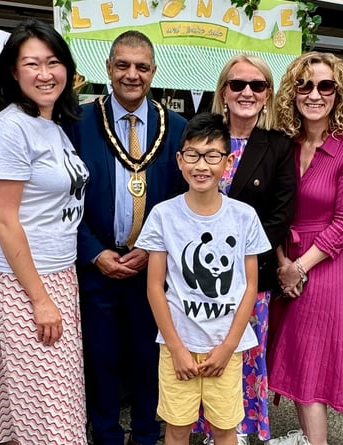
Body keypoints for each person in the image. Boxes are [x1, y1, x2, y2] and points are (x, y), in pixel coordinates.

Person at [64, 30, 187, 445]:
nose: (132, 75)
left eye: (141, 67)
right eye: (123, 65)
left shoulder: (176, 128)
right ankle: (105, 435)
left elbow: (181, 202)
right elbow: (62, 201)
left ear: (153, 72)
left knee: (149, 357)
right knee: (100, 359)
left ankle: (149, 435)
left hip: (151, 268)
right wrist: (94, 251)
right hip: (97, 264)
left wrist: (151, 249)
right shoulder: (79, 123)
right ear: (108, 69)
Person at [0, 18, 88, 445]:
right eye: (32, 64)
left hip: (58, 274)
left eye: (54, 62)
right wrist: (39, 300)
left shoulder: (52, 126)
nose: (45, 74)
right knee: (52, 416)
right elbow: (3, 219)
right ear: (13, 72)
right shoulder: (9, 129)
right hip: (26, 284)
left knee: (23, 410)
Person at [136, 111, 272, 445]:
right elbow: (155, 286)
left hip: (225, 345)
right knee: (177, 427)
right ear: (180, 160)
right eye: (193, 155)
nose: (202, 166)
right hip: (177, 344)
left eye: (212, 156)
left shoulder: (244, 217)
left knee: (225, 428)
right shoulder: (163, 215)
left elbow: (249, 286)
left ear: (226, 162)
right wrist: (177, 348)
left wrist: (228, 347)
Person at [267, 51, 343, 445]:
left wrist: (298, 267)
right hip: (286, 258)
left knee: (311, 363)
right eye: (305, 85)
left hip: (323, 263)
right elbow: (275, 211)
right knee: (293, 357)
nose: (314, 94)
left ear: (339, 93)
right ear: (293, 92)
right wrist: (282, 263)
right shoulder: (286, 144)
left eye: (325, 85)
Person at [196, 53, 297, 445]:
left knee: (243, 352)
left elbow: (280, 215)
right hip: (199, 276)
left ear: (267, 94)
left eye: (257, 85)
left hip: (250, 274)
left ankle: (238, 428)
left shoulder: (279, 146)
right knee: (205, 348)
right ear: (224, 91)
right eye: (237, 84)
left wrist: (239, 259)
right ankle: (208, 427)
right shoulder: (202, 134)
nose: (247, 92)